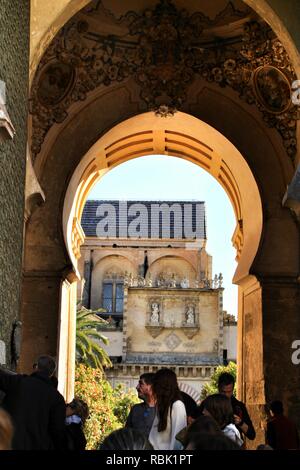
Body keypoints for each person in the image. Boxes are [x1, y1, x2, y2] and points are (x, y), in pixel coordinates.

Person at [0, 355, 67, 450]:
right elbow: (58, 433)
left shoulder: (19, 382)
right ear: (51, 374)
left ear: (36, 367)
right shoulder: (57, 400)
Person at [149, 368, 187, 450]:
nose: (153, 387)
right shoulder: (161, 405)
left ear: (163, 386)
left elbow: (178, 439)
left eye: (156, 384)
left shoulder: (177, 405)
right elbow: (152, 436)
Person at [218, 372, 256, 444]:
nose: (226, 395)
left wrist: (240, 423)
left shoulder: (239, 406)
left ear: (232, 390)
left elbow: (252, 435)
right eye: (223, 392)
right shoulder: (210, 403)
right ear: (219, 388)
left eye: (229, 392)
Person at [126, 373, 156, 438]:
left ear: (151, 386)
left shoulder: (164, 411)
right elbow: (126, 436)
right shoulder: (135, 409)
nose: (137, 387)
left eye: (141, 384)